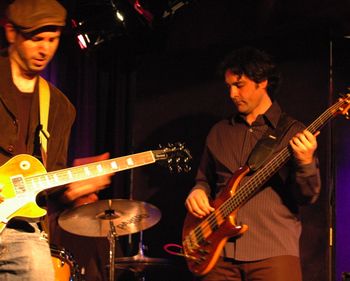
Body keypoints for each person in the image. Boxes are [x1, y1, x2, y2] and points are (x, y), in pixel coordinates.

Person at [185, 47, 321, 281]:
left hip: (272, 251)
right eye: (228, 86)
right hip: (219, 255)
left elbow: (307, 196)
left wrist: (306, 162)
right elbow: (204, 179)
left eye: (239, 85)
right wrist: (198, 191)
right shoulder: (219, 132)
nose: (232, 94)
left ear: (263, 82)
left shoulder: (293, 131)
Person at [0, 0, 111, 280]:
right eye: (36, 38)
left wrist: (71, 191)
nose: (45, 49)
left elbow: (48, 181)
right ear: (12, 32)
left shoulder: (60, 107)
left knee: (39, 270)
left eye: (53, 39)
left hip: (20, 228)